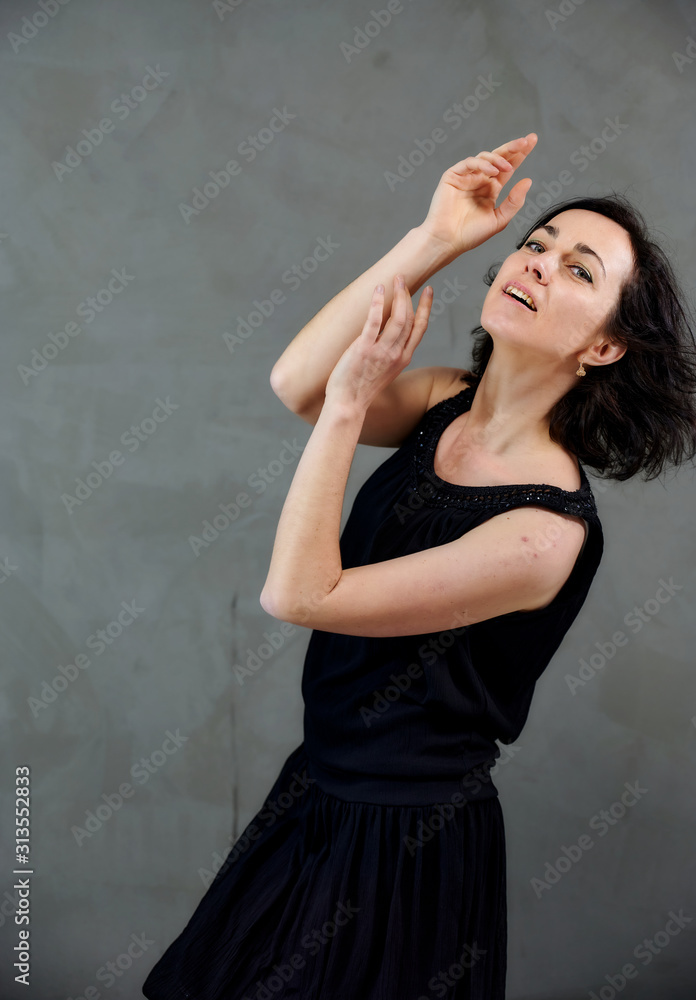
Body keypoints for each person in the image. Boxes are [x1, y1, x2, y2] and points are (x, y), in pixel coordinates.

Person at [142, 133, 696, 999]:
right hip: (316, 794)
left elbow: (300, 593)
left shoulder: (543, 533)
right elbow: (297, 382)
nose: (541, 264)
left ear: (604, 349)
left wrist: (351, 406)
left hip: (399, 846)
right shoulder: (445, 402)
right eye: (538, 244)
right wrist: (436, 237)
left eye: (580, 271)